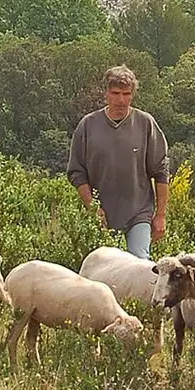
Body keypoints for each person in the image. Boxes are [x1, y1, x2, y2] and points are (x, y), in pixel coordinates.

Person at [67, 64, 169, 258]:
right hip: (102, 215)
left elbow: (161, 171)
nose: (121, 100)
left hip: (139, 212)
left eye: (126, 94)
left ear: (132, 95)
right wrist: (92, 207)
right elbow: (76, 173)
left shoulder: (145, 123)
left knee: (140, 264)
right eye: (115, 93)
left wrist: (161, 215)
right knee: (103, 269)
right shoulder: (88, 126)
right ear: (106, 94)